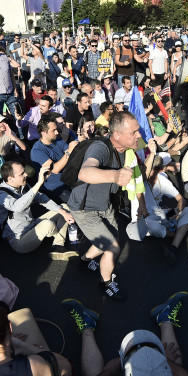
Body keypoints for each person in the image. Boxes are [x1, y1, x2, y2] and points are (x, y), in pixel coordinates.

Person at [67, 111, 142, 300]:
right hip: (84, 209)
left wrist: (141, 203)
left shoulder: (127, 150)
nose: (138, 136)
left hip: (105, 205)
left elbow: (139, 174)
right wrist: (115, 176)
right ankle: (106, 282)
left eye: (138, 131)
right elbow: (85, 173)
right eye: (133, 132)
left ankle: (84, 260)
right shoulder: (100, 148)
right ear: (116, 135)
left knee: (108, 240)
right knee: (113, 247)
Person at [0, 160, 75, 255]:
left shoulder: (23, 185)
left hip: (33, 225)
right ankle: (59, 233)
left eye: (24, 171)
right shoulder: (1, 194)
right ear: (10, 179)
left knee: (64, 208)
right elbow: (17, 207)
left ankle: (58, 245)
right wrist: (38, 183)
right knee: (48, 225)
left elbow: (42, 198)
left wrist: (63, 212)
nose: (26, 175)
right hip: (19, 240)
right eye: (22, 174)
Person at [31, 113, 79, 202]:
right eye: (53, 130)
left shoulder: (57, 139)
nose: (57, 132)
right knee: (76, 202)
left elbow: (70, 152)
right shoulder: (37, 151)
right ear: (44, 133)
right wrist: (69, 152)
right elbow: (55, 170)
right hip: (55, 186)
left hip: (69, 177)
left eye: (56, 129)